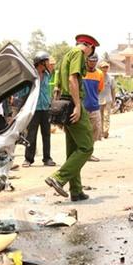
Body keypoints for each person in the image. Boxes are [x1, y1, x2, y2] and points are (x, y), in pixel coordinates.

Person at [44, 34, 99, 201]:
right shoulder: (78, 54)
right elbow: (72, 78)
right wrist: (77, 105)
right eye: (91, 52)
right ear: (89, 47)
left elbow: (58, 85)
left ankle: (76, 190)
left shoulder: (66, 55)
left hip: (63, 103)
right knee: (86, 147)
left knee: (73, 148)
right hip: (72, 102)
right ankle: (59, 177)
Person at [22, 51, 56, 167]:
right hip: (34, 109)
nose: (48, 63)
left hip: (45, 109)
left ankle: (47, 158)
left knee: (46, 134)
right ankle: (28, 159)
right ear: (40, 62)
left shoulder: (47, 75)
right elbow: (24, 91)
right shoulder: (31, 76)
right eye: (46, 61)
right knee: (31, 134)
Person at [82, 53, 104, 162]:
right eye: (91, 61)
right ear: (86, 61)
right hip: (82, 107)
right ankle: (82, 153)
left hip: (94, 106)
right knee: (84, 131)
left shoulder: (99, 74)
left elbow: (99, 89)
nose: (92, 63)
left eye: (95, 61)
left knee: (95, 130)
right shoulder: (81, 73)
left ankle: (89, 153)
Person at [98, 61, 116, 139]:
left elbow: (113, 90)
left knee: (106, 116)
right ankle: (100, 132)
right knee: (99, 117)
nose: (105, 69)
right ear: (100, 68)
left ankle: (105, 132)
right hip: (99, 100)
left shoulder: (111, 78)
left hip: (108, 99)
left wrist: (113, 100)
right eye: (103, 67)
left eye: (106, 67)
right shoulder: (97, 77)